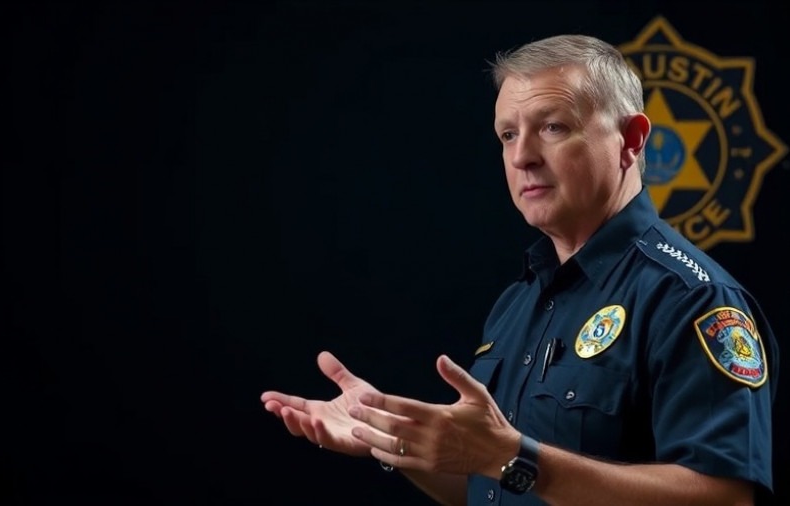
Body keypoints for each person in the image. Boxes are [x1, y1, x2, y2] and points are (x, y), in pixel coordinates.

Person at [260, 33, 779, 506]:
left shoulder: (691, 299)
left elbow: (724, 498)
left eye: (553, 127)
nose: (523, 156)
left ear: (632, 140)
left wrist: (515, 458)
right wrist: (390, 439)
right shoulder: (521, 300)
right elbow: (493, 487)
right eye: (508, 135)